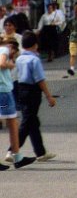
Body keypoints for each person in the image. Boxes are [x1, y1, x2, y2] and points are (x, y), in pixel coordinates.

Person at [14, 31, 56, 161]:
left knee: (33, 121)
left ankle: (40, 152)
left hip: (21, 89)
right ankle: (12, 150)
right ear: (35, 45)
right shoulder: (35, 60)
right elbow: (40, 80)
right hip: (33, 91)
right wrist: (49, 96)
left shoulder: (19, 59)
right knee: (28, 121)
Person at [0, 38, 34, 169]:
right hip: (4, 91)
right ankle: (17, 157)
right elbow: (2, 63)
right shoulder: (3, 50)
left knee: (13, 123)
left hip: (3, 91)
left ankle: (17, 156)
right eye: (13, 49)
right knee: (12, 123)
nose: (14, 53)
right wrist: (9, 65)